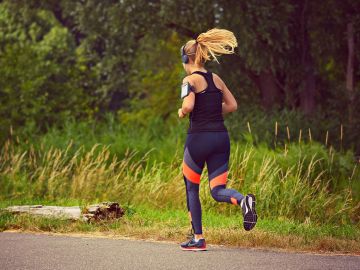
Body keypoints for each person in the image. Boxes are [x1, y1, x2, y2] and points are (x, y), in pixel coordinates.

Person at [178, 28, 257, 251]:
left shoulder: (189, 80)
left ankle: (199, 238)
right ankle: (243, 201)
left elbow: (189, 105)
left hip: (198, 141)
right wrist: (212, 111)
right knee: (217, 190)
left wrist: (182, 112)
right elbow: (232, 106)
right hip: (221, 139)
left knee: (191, 188)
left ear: (186, 58)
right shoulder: (216, 79)